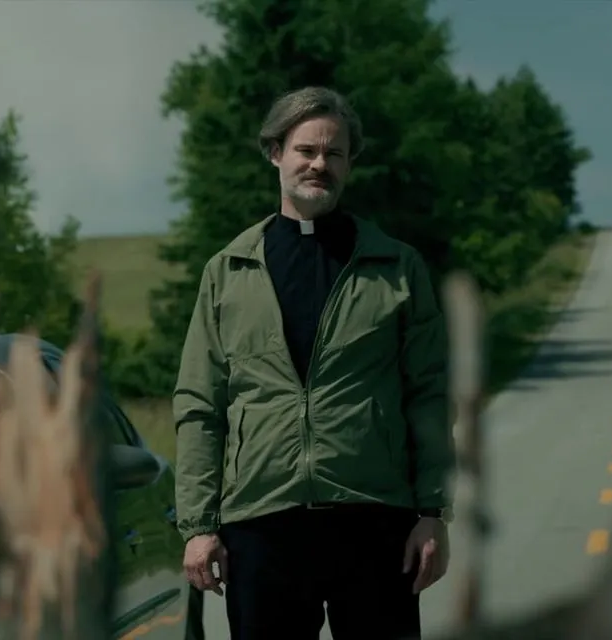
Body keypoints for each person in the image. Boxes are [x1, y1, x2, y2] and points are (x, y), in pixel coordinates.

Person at [173, 86, 455, 639]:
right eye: (305, 150)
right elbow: (200, 405)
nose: (319, 164)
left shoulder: (397, 268)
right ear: (275, 152)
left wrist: (433, 513)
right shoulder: (227, 272)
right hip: (261, 523)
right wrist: (199, 526)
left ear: (350, 163)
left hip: (375, 519)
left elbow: (429, 394)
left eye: (334, 153)